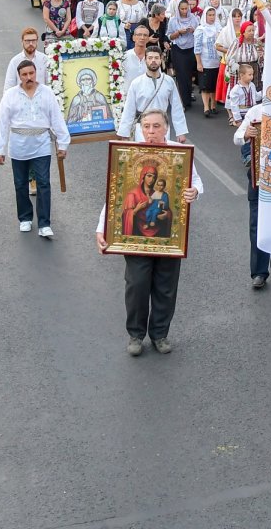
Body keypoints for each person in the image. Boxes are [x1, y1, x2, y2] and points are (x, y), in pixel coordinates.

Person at [95, 109, 202, 356]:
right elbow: (115, 197)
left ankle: (160, 333)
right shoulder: (131, 153)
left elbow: (195, 181)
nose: (151, 132)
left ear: (166, 128)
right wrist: (101, 229)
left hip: (168, 236)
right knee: (137, 284)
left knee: (166, 285)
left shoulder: (179, 154)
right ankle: (135, 334)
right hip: (134, 237)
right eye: (146, 126)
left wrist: (193, 192)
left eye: (156, 127)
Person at [0, 60, 70, 238]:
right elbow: (2, 123)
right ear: (19, 76)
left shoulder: (47, 93)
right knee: (20, 184)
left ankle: (44, 223)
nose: (29, 78)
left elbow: (56, 118)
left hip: (41, 144)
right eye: (24, 75)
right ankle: (25, 218)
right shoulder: (10, 95)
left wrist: (63, 142)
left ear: (36, 73)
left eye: (31, 73)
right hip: (18, 146)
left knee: (43, 183)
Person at [232, 101, 271, 287]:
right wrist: (246, 134)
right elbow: (237, 137)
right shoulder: (255, 111)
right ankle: (259, 272)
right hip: (258, 176)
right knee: (257, 223)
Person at [116, 46, 189, 142]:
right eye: (150, 58)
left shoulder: (169, 81)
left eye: (156, 58)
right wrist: (124, 133)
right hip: (143, 127)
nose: (153, 61)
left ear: (161, 59)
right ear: (145, 60)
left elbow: (177, 107)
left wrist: (180, 132)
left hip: (162, 126)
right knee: (143, 156)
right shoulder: (136, 83)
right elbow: (129, 109)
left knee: (161, 156)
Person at [167, 0, 200, 111]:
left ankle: (188, 98)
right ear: (178, 9)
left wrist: (193, 30)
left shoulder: (194, 18)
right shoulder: (173, 20)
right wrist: (179, 32)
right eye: (182, 9)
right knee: (181, 76)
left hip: (191, 48)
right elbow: (169, 36)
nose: (185, 11)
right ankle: (183, 102)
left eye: (186, 8)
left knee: (189, 74)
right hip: (178, 49)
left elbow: (199, 33)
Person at [195, 6, 222, 117]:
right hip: (205, 61)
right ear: (205, 16)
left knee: (214, 85)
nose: (211, 17)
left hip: (217, 61)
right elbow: (197, 47)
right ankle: (206, 107)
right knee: (205, 86)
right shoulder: (200, 29)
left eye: (213, 15)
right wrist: (199, 62)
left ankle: (213, 106)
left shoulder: (219, 28)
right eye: (209, 15)